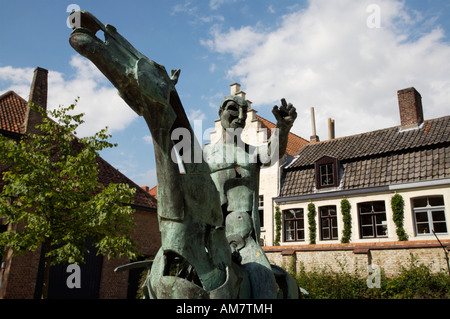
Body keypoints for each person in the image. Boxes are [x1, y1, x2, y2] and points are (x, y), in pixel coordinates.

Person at [203, 94, 297, 298]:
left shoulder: (252, 153)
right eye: (233, 109)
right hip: (211, 238)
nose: (240, 116)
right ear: (220, 113)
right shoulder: (205, 154)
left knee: (264, 285)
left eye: (244, 112)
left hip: (246, 239)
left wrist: (282, 128)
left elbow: (273, 152)